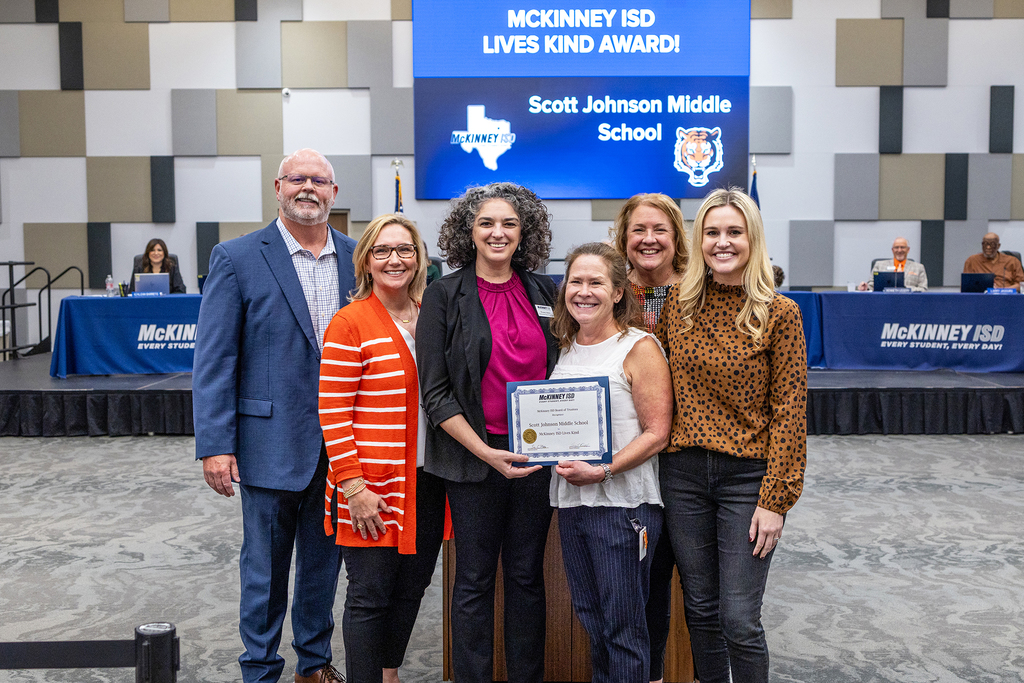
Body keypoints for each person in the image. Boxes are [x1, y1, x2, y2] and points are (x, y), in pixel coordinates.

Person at [193, 148, 355, 683]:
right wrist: (216, 444)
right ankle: (260, 669)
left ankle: (314, 663)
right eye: (297, 178)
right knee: (264, 570)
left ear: (334, 193)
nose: (308, 188)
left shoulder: (360, 257)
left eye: (319, 181)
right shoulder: (237, 257)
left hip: (342, 446)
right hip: (267, 443)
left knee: (323, 567)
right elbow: (215, 358)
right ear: (278, 188)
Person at [656, 188, 807, 683]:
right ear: (699, 241)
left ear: (752, 239)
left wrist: (776, 499)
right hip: (682, 476)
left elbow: (790, 409)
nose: (722, 242)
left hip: (748, 480)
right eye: (713, 232)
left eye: (734, 232)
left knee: (739, 618)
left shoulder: (780, 313)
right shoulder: (678, 305)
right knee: (700, 608)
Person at [417, 182, 559, 683]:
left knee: (527, 577)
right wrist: (486, 452)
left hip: (538, 459)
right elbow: (435, 393)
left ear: (524, 232)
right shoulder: (443, 295)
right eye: (486, 223)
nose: (498, 233)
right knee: (474, 580)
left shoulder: (546, 291)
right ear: (469, 231)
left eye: (509, 223)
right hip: (474, 460)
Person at [319, 213, 446, 683]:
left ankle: (388, 673)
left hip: (428, 480)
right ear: (366, 261)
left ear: (419, 259)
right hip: (372, 485)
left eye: (405, 250)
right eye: (383, 250)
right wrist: (353, 487)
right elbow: (333, 412)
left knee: (413, 587)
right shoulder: (350, 322)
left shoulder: (432, 314)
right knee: (370, 594)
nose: (395, 259)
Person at [549, 242, 672, 683]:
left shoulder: (639, 347)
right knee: (593, 622)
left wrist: (602, 471)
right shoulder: (566, 347)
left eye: (596, 282)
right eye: (575, 282)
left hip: (623, 507)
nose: (583, 291)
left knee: (624, 628)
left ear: (619, 292)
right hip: (572, 504)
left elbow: (657, 433)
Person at [611, 193, 691, 683]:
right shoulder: (609, 292)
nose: (648, 239)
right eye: (638, 229)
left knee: (686, 582)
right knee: (640, 581)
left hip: (686, 457)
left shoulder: (699, 290)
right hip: (628, 456)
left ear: (677, 238)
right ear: (623, 237)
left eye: (660, 229)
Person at [857, 237, 928, 291]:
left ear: (908, 249)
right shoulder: (879, 265)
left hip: (909, 301)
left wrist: (905, 289)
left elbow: (923, 289)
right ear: (892, 250)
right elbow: (872, 285)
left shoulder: (919, 267)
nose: (899, 250)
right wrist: (866, 287)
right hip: (884, 301)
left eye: (902, 247)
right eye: (896, 247)